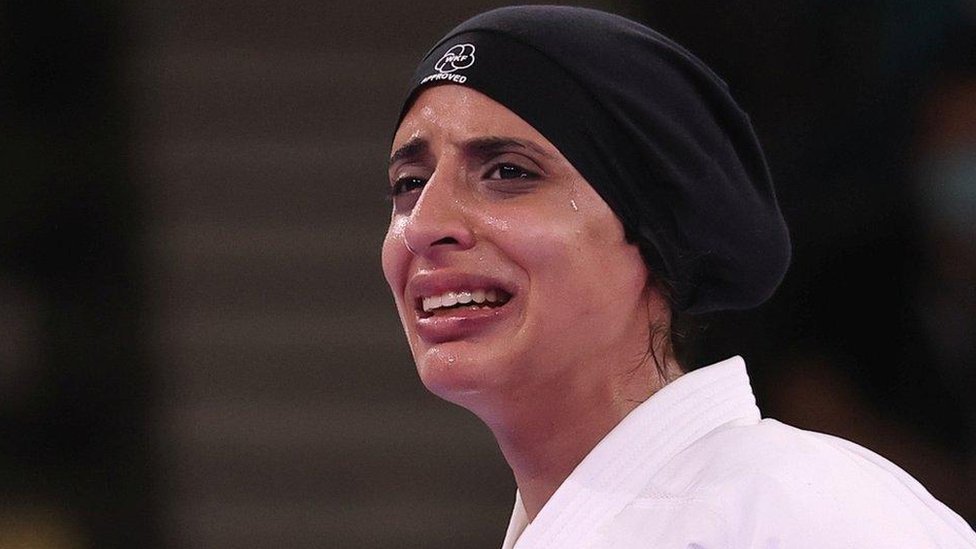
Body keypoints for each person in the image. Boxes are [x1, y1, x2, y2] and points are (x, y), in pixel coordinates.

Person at [380, 6, 976, 548]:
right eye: (410, 183)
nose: (424, 224)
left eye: (510, 172)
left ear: (652, 228)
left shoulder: (807, 515)